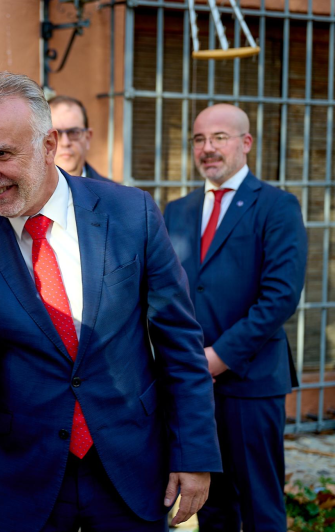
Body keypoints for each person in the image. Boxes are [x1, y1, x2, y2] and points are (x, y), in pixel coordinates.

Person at [0, 71, 221, 532]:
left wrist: (196, 453)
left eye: (2, 154)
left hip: (130, 466)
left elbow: (178, 342)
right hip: (24, 476)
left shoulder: (132, 214)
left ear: (47, 145)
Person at [164, 103, 307, 532]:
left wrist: (218, 357)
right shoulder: (176, 210)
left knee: (260, 506)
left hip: (251, 383)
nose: (208, 148)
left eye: (219, 138)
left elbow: (280, 297)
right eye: (199, 140)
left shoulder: (278, 206)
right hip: (194, 387)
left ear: (245, 143)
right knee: (211, 507)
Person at [48, 95, 109, 181]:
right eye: (56, 135)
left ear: (88, 138)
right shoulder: (25, 193)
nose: (65, 143)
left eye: (74, 132)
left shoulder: (113, 193)